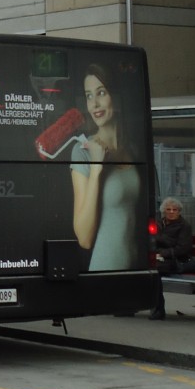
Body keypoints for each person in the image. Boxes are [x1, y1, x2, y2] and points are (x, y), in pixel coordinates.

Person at [71, 65, 141, 271]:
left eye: (101, 93)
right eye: (89, 96)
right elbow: (84, 238)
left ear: (116, 97)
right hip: (105, 273)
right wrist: (95, 168)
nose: (95, 104)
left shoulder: (134, 149)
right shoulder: (82, 151)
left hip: (136, 270)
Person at [149, 197, 194, 320]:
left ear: (179, 211)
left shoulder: (184, 226)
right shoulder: (159, 223)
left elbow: (183, 249)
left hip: (176, 261)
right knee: (138, 268)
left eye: (175, 209)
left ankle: (158, 309)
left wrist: (162, 253)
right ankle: (128, 307)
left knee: (154, 272)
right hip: (158, 258)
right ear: (164, 211)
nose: (171, 212)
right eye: (168, 209)